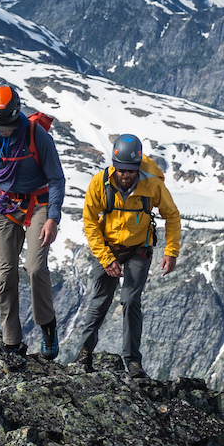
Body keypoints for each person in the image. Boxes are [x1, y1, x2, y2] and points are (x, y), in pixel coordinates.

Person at [0, 85, 65, 357]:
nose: (4, 131)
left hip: (38, 203)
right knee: (5, 274)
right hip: (4, 206)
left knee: (34, 267)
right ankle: (12, 342)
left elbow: (56, 179)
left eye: (8, 126)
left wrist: (53, 218)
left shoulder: (36, 135)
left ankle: (47, 325)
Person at [76, 133, 180, 376]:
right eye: (121, 170)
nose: (125, 175)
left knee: (131, 301)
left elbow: (172, 216)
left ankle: (133, 361)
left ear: (137, 167)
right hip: (109, 247)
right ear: (114, 165)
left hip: (138, 250)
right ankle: (84, 355)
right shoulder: (100, 183)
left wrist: (171, 251)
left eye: (130, 170)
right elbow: (90, 221)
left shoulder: (153, 185)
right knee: (99, 301)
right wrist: (106, 258)